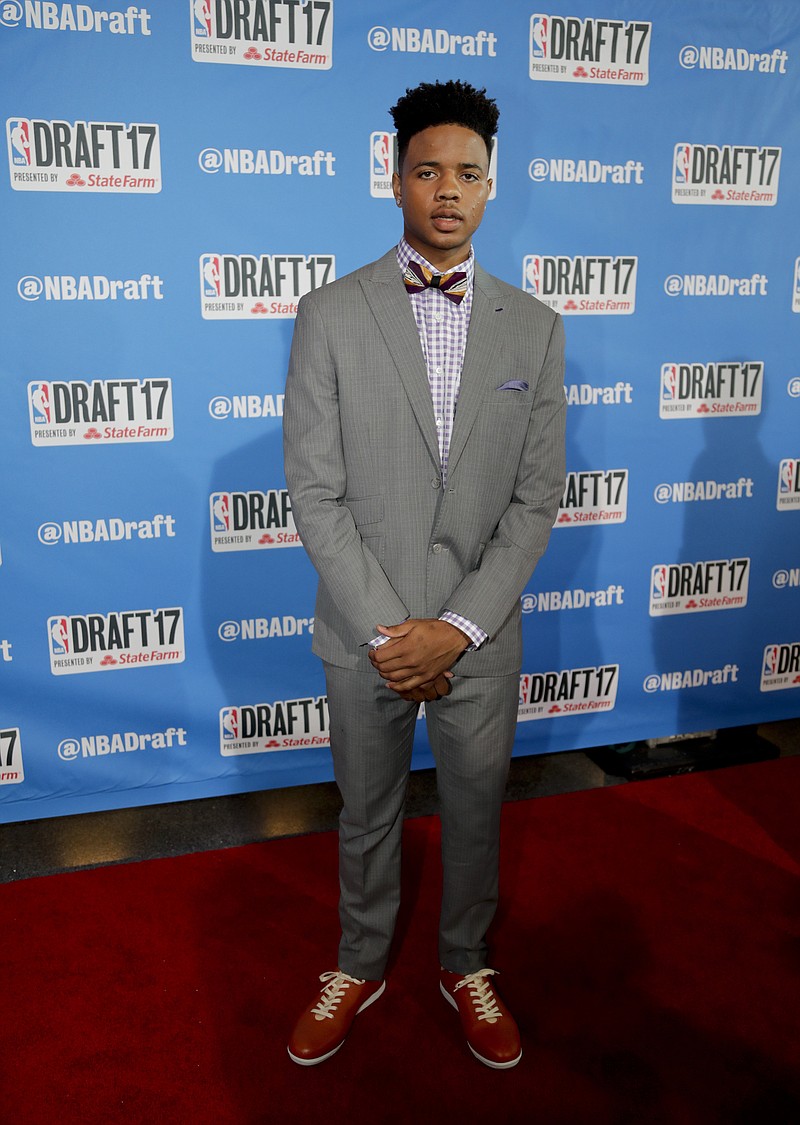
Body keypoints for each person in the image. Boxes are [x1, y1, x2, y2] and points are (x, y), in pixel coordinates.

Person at [283, 79, 566, 1069]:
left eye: (468, 174)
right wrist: (389, 632)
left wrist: (458, 628)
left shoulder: (533, 327)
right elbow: (313, 494)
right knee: (364, 810)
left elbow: (534, 503)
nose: (447, 191)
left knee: (477, 809)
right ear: (394, 178)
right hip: (364, 632)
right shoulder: (328, 313)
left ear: (493, 188)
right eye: (426, 170)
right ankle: (358, 959)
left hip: (477, 635)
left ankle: (462, 961)